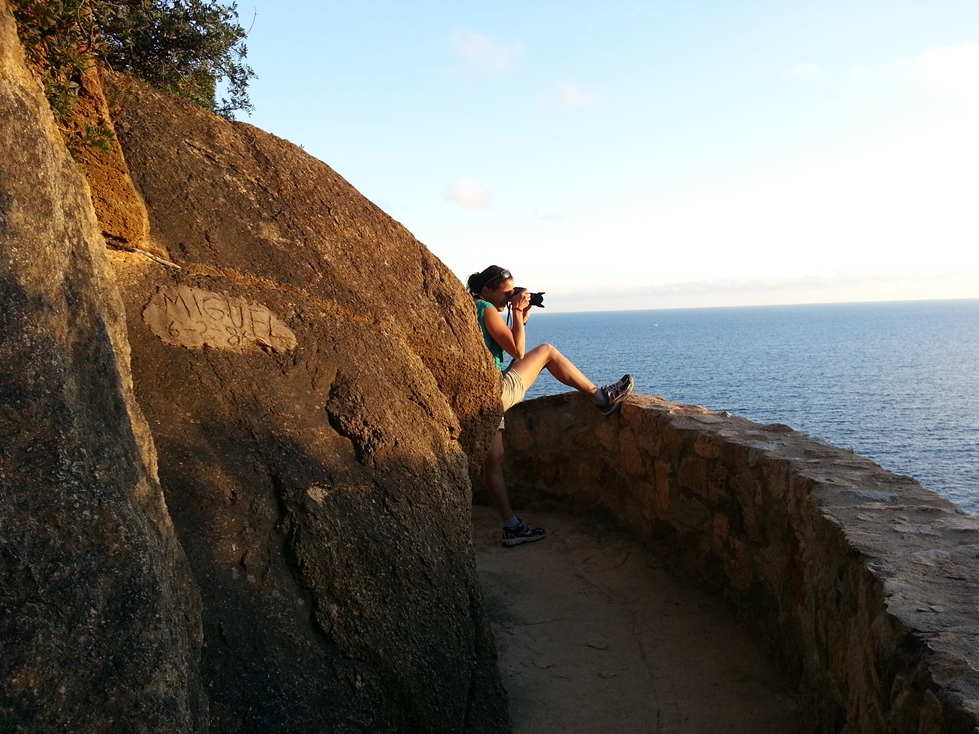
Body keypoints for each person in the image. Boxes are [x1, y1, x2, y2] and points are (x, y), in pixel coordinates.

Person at [467, 265, 634, 547]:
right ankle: (600, 397)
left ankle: (511, 526)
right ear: (486, 289)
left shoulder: (471, 307)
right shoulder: (486, 309)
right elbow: (518, 350)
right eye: (506, 292)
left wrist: (521, 314)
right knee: (547, 351)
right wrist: (516, 311)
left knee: (493, 462)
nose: (510, 297)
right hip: (496, 391)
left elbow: (508, 341)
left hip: (479, 395)